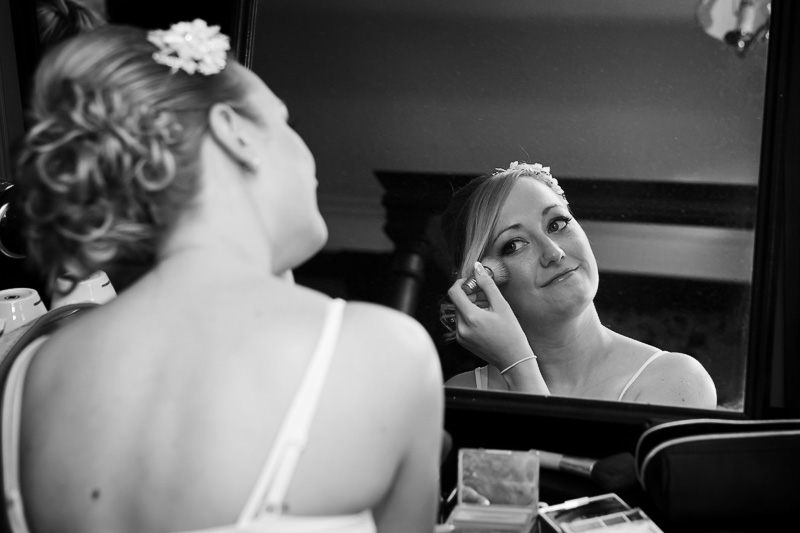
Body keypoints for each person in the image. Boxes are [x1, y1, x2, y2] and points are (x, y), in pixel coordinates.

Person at [7, 20, 444, 533]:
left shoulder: (33, 373)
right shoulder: (379, 351)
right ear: (235, 133)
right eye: (285, 122)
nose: (308, 156)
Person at [439, 161, 717, 409]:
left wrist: (519, 367)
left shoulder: (676, 380)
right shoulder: (462, 394)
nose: (553, 252)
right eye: (514, 245)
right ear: (483, 283)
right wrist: (518, 365)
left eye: (557, 224)